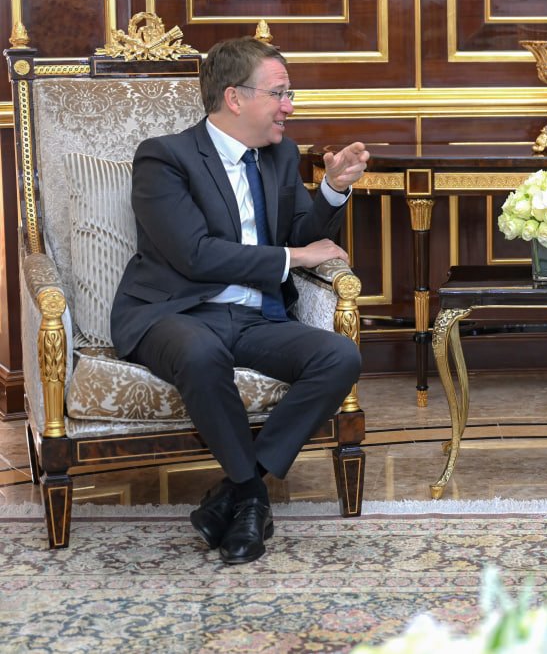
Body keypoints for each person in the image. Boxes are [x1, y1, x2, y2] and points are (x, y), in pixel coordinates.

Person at [110, 36, 370, 565]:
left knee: (340, 356)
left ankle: (235, 492)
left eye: (290, 94)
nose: (289, 106)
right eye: (280, 93)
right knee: (202, 353)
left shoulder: (280, 156)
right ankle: (252, 497)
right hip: (174, 313)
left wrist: (331, 191)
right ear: (234, 97)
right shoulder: (164, 158)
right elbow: (196, 255)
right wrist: (294, 256)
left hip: (254, 317)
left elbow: (301, 232)